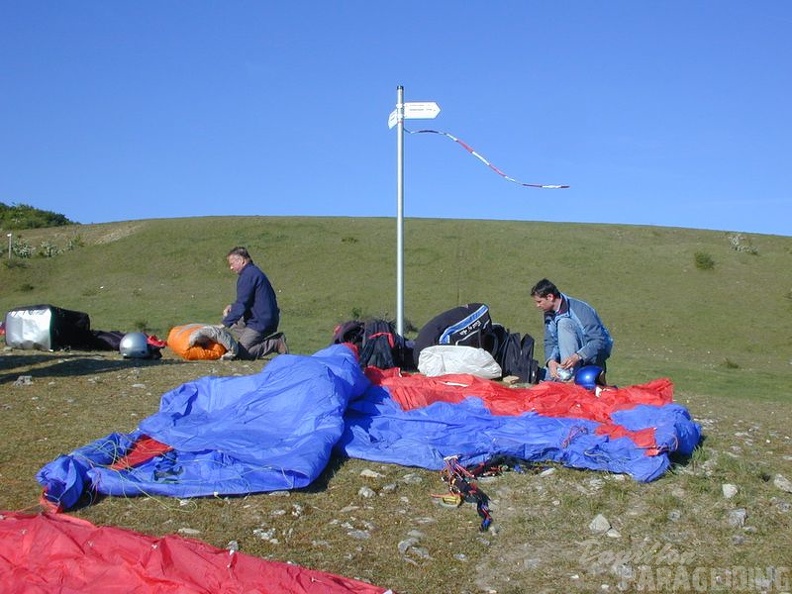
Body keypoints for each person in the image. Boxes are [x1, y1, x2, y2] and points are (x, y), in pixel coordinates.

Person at [530, 278, 612, 381]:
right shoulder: (549, 313)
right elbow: (550, 341)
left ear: (550, 297)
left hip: (590, 361)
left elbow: (599, 341)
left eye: (539, 301)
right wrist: (550, 361)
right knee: (538, 375)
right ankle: (562, 374)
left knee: (564, 323)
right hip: (567, 360)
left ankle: (568, 376)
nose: (537, 305)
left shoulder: (580, 310)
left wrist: (577, 356)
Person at [222, 246, 288, 359]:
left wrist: (223, 324)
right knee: (230, 314)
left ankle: (275, 343)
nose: (231, 268)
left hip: (261, 321)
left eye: (232, 263)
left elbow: (242, 304)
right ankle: (249, 339)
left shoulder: (249, 275)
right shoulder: (252, 272)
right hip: (261, 317)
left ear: (242, 261)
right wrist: (232, 307)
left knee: (241, 353)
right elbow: (248, 300)